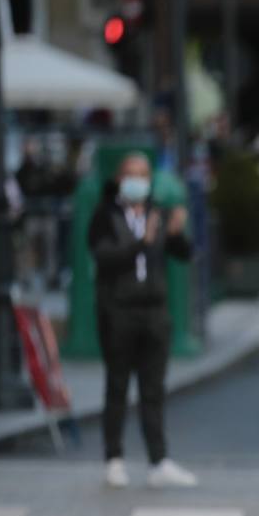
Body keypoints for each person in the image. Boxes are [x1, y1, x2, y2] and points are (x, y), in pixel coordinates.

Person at [87, 152, 198, 490]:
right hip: (118, 310)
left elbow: (183, 254)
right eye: (130, 174)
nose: (137, 181)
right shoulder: (105, 215)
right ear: (120, 179)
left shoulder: (157, 215)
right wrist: (140, 242)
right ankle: (114, 458)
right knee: (117, 385)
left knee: (154, 389)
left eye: (143, 174)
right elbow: (103, 256)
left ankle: (158, 460)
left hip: (154, 311)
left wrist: (177, 232)